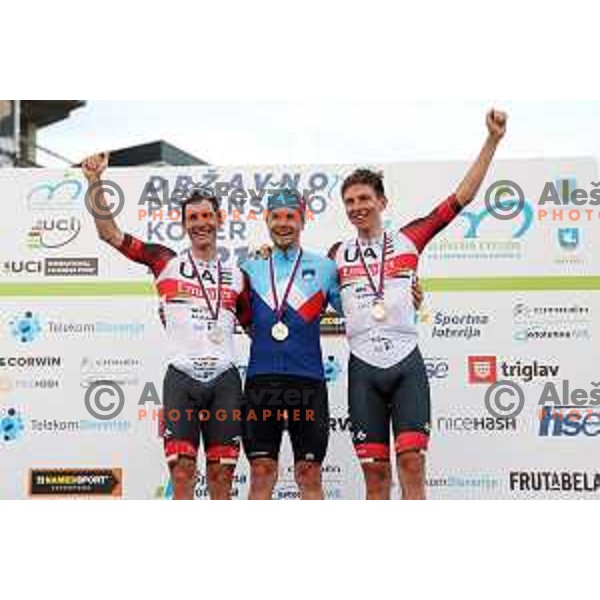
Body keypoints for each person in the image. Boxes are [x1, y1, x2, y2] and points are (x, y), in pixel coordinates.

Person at [328, 109, 508, 499]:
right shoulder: (336, 254)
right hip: (363, 369)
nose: (357, 206)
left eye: (364, 198)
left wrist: (492, 141)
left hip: (406, 363)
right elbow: (297, 286)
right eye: (349, 201)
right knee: (375, 478)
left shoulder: (410, 238)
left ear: (382, 201)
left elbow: (460, 199)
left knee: (412, 466)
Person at [82, 152, 250, 500]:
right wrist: (95, 182)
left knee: (221, 477)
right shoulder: (164, 261)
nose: (200, 223)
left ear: (219, 220)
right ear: (184, 224)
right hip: (181, 380)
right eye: (193, 218)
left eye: (207, 216)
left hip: (225, 382)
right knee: (182, 472)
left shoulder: (238, 275)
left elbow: (257, 328)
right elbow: (110, 234)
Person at [240, 189, 344, 499]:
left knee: (308, 474)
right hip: (261, 382)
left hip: (308, 383)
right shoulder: (250, 268)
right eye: (276, 217)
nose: (283, 223)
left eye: (290, 217)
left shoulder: (325, 268)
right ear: (267, 220)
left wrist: (403, 297)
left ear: (302, 220)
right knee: (261, 473)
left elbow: (356, 308)